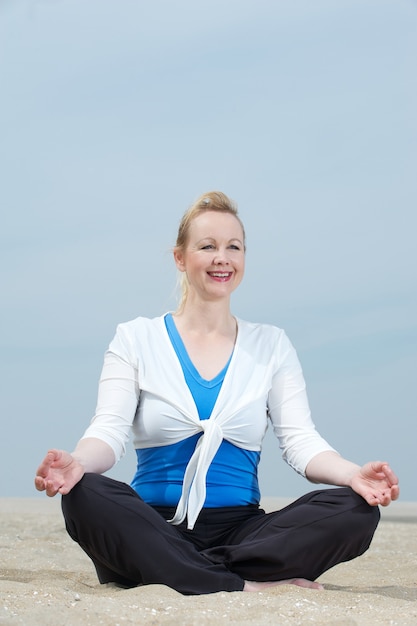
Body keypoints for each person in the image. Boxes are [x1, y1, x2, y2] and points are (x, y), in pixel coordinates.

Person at [35, 191, 399, 596]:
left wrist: (353, 475)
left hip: (243, 534)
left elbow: (300, 441)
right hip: (153, 526)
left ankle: (183, 572)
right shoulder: (136, 338)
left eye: (233, 247)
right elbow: (108, 430)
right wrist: (77, 463)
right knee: (84, 492)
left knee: (355, 509)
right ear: (180, 258)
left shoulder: (271, 345)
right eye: (207, 246)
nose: (221, 258)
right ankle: (241, 583)